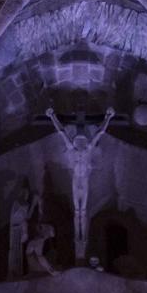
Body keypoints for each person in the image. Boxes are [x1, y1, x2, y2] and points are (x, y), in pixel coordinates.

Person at [45, 107, 115, 261]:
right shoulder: (73, 149)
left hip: (84, 181)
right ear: (77, 141)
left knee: (82, 211)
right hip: (76, 181)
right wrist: (52, 117)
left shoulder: (89, 149)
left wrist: (108, 117)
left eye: (82, 141)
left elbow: (99, 133)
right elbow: (62, 133)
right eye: (79, 141)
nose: (80, 143)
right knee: (78, 211)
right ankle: (78, 239)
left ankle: (83, 240)